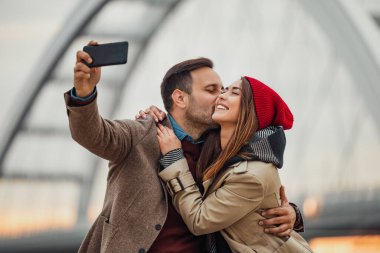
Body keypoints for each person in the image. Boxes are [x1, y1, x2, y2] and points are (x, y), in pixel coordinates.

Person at [65, 40, 304, 253]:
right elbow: (93, 134)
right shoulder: (140, 134)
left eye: (223, 90)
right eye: (211, 90)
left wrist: (292, 213)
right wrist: (84, 94)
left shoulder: (224, 149)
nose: (220, 97)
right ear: (180, 98)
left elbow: (250, 190)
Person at [156, 76, 313, 252]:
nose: (221, 96)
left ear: (251, 110)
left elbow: (199, 220)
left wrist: (174, 158)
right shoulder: (219, 153)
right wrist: (155, 118)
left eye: (234, 92)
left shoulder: (252, 174)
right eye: (224, 90)